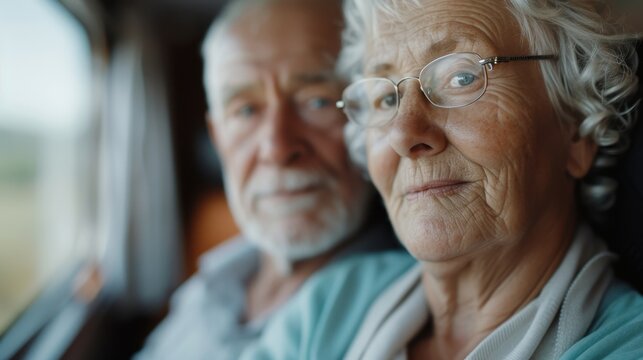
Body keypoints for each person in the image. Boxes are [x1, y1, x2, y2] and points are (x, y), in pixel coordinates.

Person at [241, 0, 643, 359]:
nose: (404, 134)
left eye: (462, 77)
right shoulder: (331, 306)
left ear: (576, 129)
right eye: (386, 98)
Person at [135, 0, 403, 358]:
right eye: (245, 111)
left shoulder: (398, 305)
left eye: (318, 102)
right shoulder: (214, 283)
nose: (277, 148)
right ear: (218, 138)